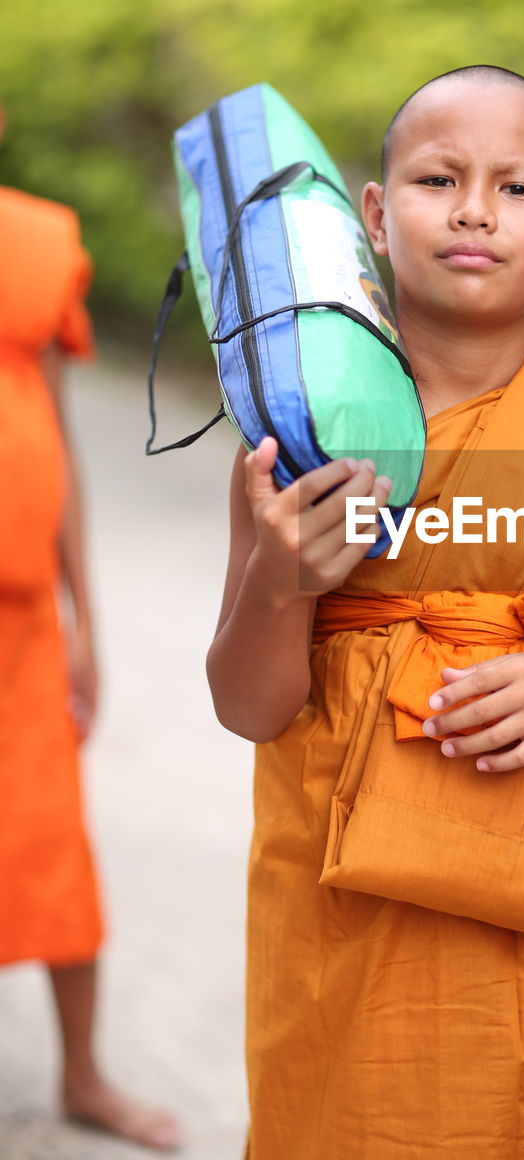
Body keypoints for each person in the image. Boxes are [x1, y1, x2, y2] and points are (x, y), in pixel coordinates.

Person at [207, 64, 524, 1159]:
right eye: (440, 179)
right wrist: (279, 575)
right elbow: (249, 705)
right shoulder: (293, 433)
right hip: (333, 907)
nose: (478, 209)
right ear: (377, 217)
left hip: (521, 914)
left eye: (518, 189)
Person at [0, 123, 184, 1151]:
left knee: (48, 842)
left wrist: (83, 617)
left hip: (21, 615)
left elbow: (59, 440)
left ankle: (82, 1072)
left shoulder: (30, 245)